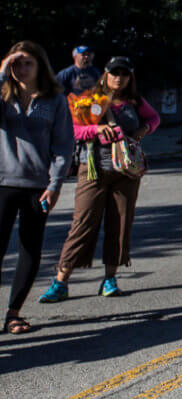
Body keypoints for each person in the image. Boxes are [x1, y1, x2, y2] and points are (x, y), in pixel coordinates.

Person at [39, 57, 158, 303]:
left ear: (130, 77)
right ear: (105, 74)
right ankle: (61, 281)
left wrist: (145, 130)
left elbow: (154, 118)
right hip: (92, 169)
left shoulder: (134, 101)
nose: (119, 78)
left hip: (126, 171)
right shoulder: (89, 99)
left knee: (121, 223)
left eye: (124, 73)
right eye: (115, 73)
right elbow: (72, 129)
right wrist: (95, 130)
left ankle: (109, 279)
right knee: (83, 223)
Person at [2, 42, 74, 334]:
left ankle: (13, 313)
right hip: (2, 183)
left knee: (30, 249)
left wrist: (55, 184)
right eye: (16, 64)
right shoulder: (3, 95)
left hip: (37, 186)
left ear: (40, 66)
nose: (21, 69)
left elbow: (63, 145)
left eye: (27, 63)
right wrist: (1, 72)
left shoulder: (55, 99)